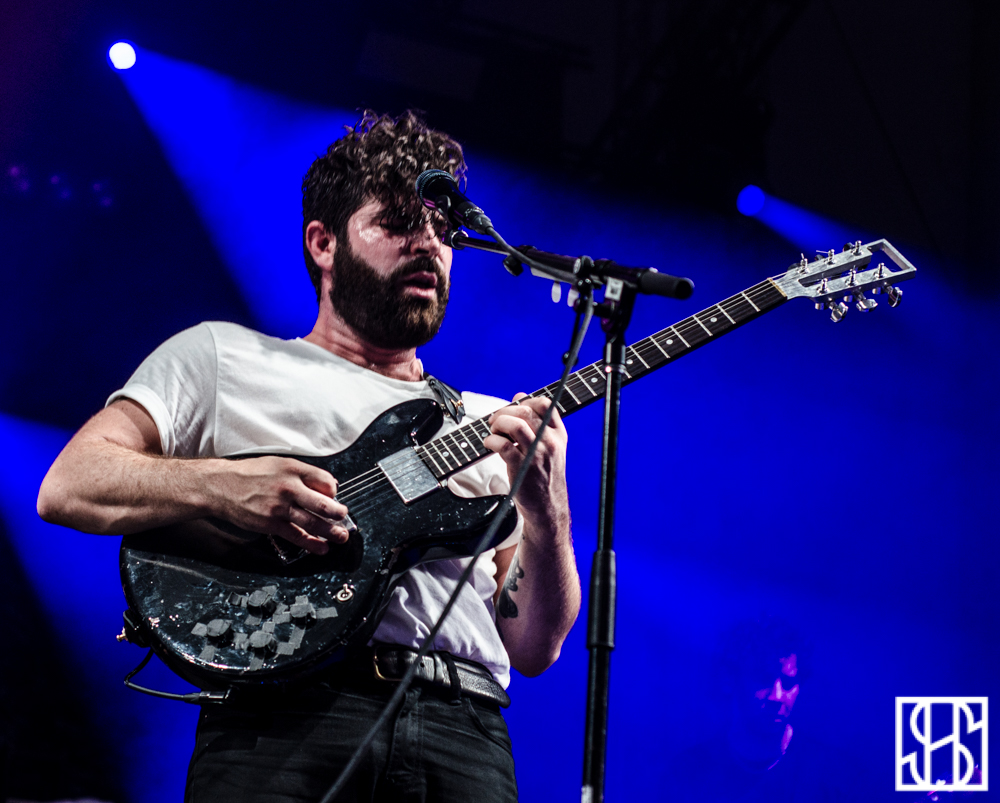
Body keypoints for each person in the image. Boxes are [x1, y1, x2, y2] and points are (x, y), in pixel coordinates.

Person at [37, 110, 580, 802]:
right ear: (323, 243)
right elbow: (69, 484)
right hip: (279, 719)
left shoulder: (486, 421)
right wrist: (224, 486)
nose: (430, 247)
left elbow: (534, 645)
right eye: (398, 223)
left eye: (443, 232)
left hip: (463, 729)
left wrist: (546, 509)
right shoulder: (221, 357)